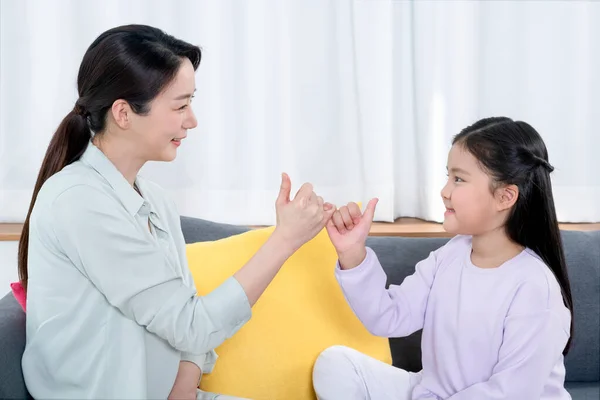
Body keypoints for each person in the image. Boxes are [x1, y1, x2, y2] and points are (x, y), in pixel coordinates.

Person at [19, 24, 334, 400]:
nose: (192, 120)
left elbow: (187, 327)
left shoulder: (155, 200)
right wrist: (284, 240)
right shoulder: (77, 201)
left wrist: (186, 382)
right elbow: (193, 325)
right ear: (123, 113)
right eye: (180, 105)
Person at [312, 117, 574, 399]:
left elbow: (509, 393)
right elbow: (389, 316)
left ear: (505, 197)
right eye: (448, 176)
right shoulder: (451, 254)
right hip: (433, 393)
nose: (444, 191)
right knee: (335, 365)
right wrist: (352, 253)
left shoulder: (535, 288)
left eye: (458, 179)